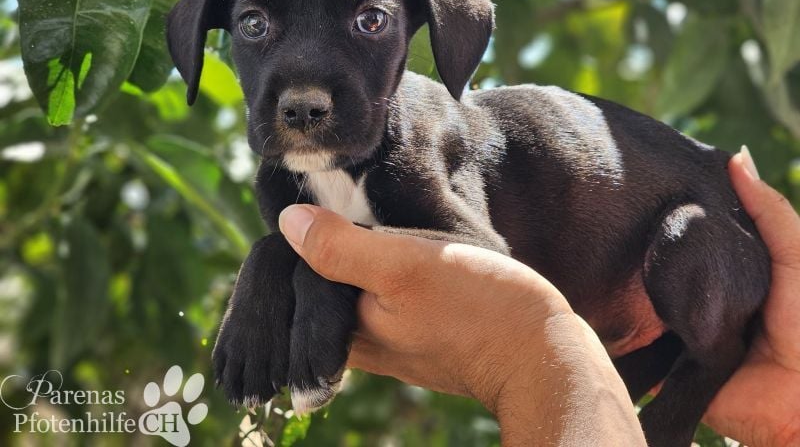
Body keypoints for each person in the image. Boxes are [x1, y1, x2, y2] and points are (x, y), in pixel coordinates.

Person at [278, 146, 800, 446]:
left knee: (689, 253)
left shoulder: (421, 154)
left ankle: (705, 365)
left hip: (685, 242)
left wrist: (531, 356)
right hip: (643, 310)